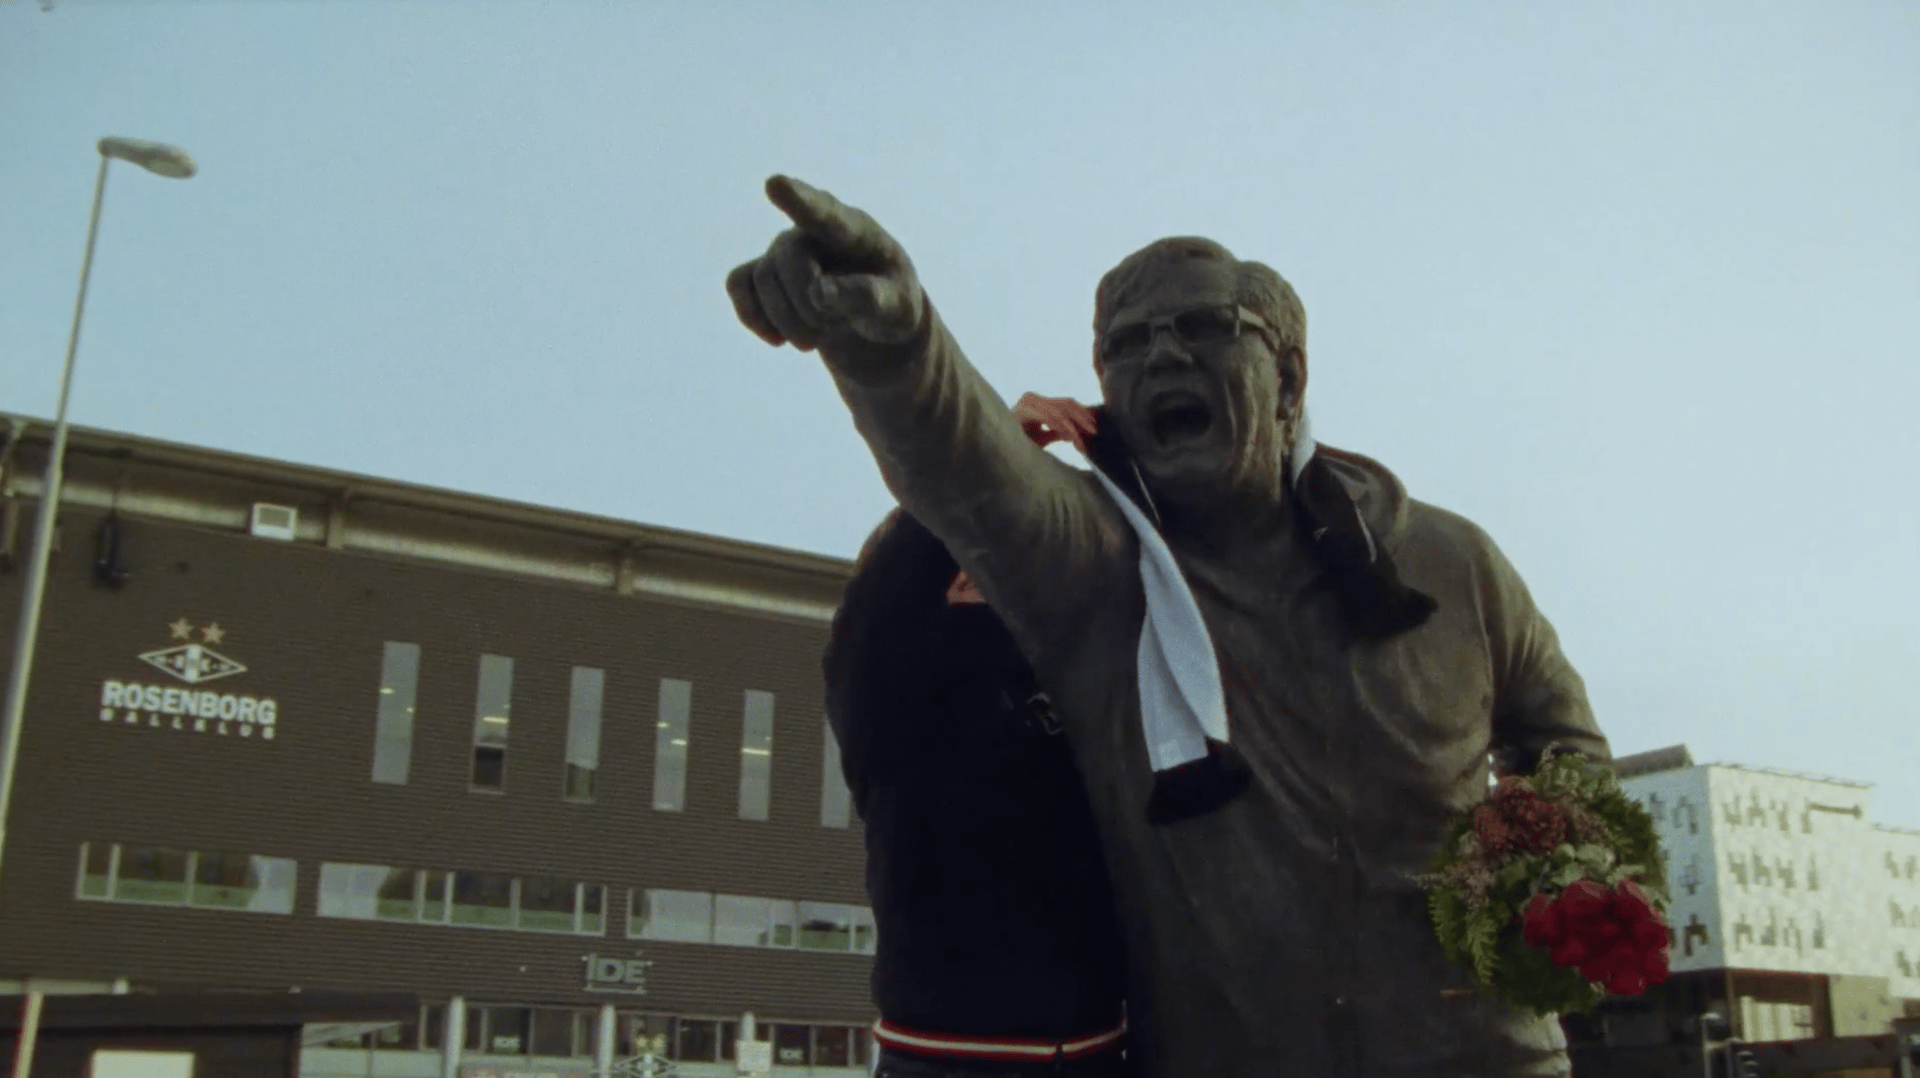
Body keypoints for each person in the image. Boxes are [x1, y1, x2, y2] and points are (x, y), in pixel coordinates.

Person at [727, 175, 1611, 1077]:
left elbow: (1565, 743)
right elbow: (967, 467)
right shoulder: (1100, 572)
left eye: (1202, 327)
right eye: (1127, 344)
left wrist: (1545, 866)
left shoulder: (1451, 564)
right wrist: (894, 343)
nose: (1161, 356)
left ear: (1289, 378)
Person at [827, 391, 1133, 1078]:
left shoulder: (1062, 687)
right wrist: (983, 459)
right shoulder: (887, 705)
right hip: (951, 1059)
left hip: (1095, 1053)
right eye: (957, 560)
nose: (983, 569)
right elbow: (878, 617)